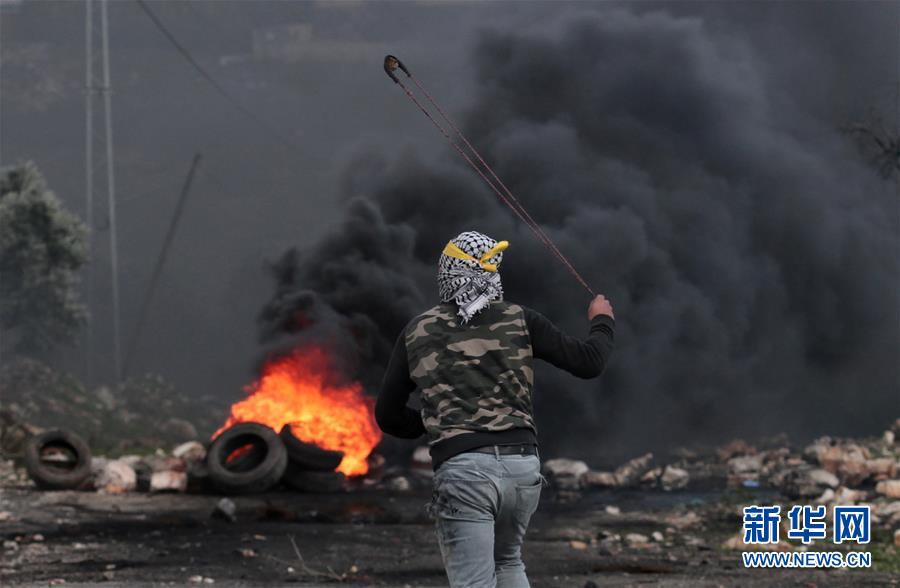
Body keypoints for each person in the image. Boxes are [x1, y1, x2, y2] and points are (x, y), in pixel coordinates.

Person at [376, 230, 615, 588]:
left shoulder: (418, 331)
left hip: (465, 473)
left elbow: (388, 415)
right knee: (508, 561)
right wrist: (602, 320)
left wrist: (435, 421)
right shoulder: (521, 319)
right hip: (522, 469)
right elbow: (589, 362)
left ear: (447, 271)